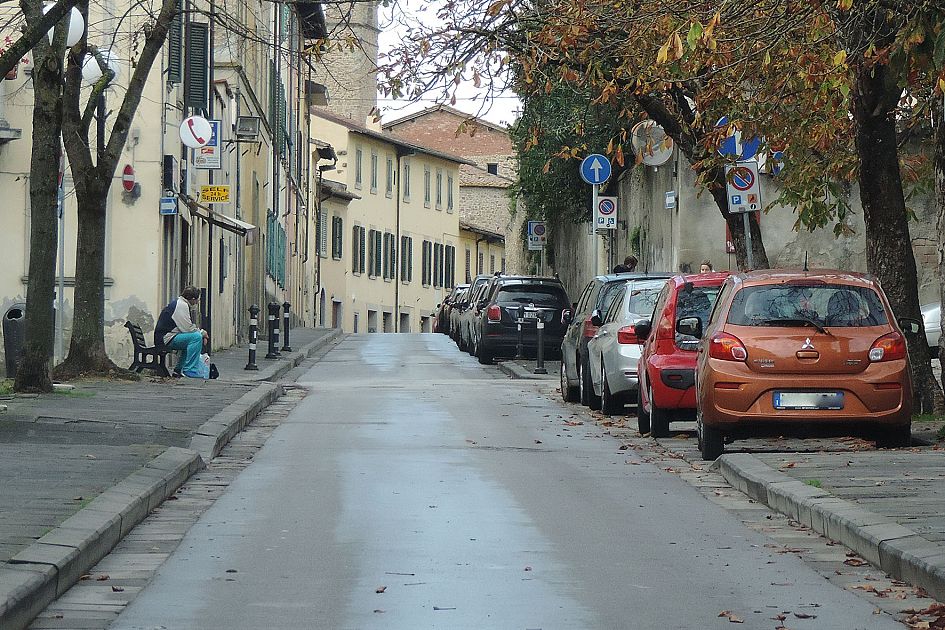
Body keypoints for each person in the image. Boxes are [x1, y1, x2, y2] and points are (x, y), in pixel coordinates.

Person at [154, 286, 209, 378]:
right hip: (166, 339)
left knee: (191, 340)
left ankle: (178, 369)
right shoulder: (181, 305)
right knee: (196, 337)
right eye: (197, 300)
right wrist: (203, 333)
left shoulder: (180, 303)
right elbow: (188, 328)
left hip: (166, 337)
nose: (197, 303)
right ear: (192, 299)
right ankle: (190, 370)